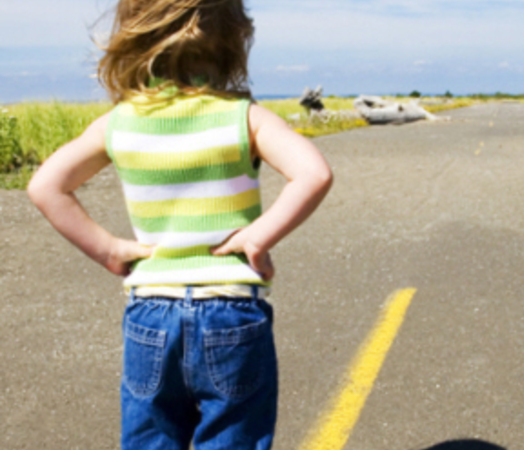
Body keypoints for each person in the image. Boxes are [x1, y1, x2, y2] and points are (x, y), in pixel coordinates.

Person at [26, 0, 333, 448]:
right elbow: (314, 174)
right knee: (232, 433)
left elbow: (46, 186)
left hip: (151, 311)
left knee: (152, 436)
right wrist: (257, 237)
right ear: (234, 39)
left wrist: (109, 249)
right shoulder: (243, 116)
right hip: (230, 309)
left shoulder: (120, 121)